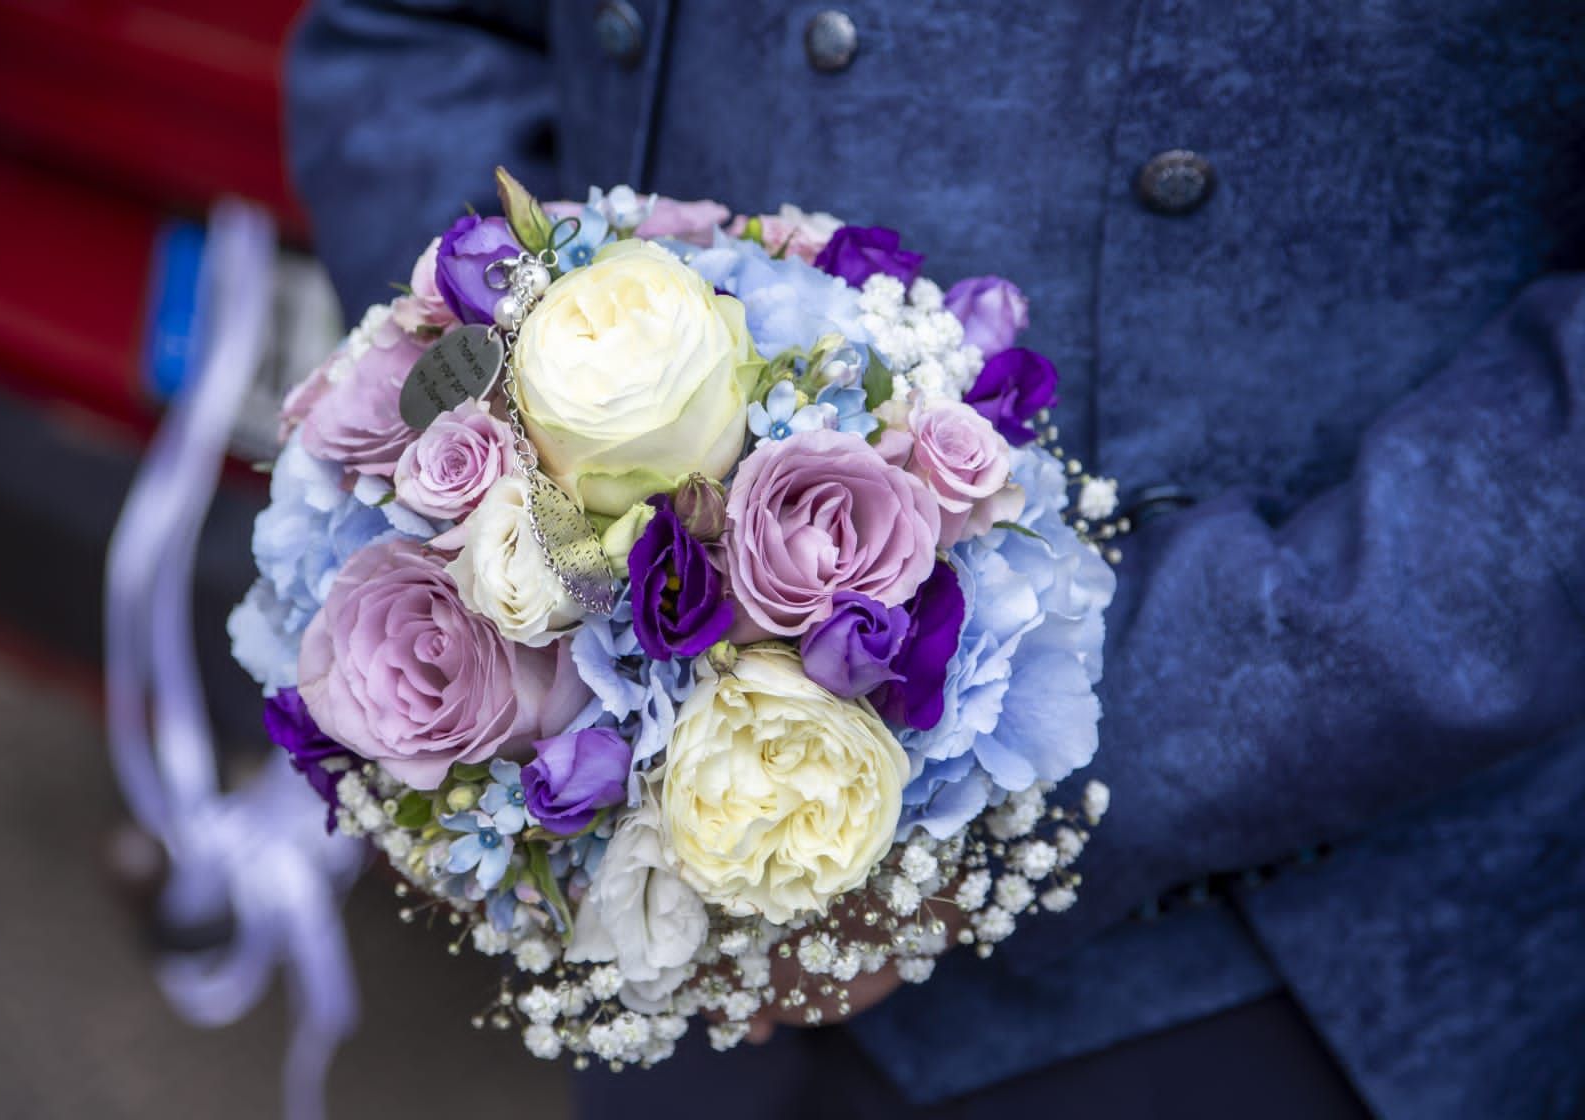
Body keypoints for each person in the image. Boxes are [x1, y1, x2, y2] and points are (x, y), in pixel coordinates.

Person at [283, 3, 1585, 1117]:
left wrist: (1052, 745)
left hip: (1283, 954)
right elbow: (419, 36)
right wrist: (509, 450)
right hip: (670, 937)